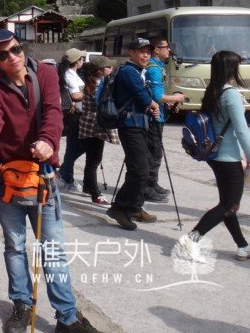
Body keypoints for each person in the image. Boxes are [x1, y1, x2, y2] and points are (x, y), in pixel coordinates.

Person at [0, 30, 111, 333]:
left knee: (52, 249)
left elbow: (54, 111)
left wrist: (49, 141)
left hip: (43, 176)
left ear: (21, 48)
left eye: (15, 49)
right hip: (8, 180)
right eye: (3, 54)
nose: (12, 57)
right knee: (14, 246)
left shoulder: (47, 74)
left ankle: (67, 317)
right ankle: (22, 305)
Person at [178, 51, 250, 261]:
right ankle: (192, 238)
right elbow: (242, 130)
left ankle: (242, 246)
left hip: (214, 155)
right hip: (228, 157)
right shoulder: (231, 94)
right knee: (229, 205)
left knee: (227, 203)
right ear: (231, 69)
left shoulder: (213, 91)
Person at [106, 38, 161, 231]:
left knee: (137, 168)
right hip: (130, 126)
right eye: (141, 51)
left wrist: (152, 107)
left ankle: (135, 207)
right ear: (131, 52)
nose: (146, 55)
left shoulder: (137, 71)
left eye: (148, 52)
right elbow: (143, 95)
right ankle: (119, 208)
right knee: (140, 170)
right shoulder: (129, 71)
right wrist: (153, 105)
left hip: (139, 124)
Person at [144, 36, 186, 203]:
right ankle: (148, 188)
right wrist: (176, 98)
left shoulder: (158, 66)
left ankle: (152, 183)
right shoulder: (154, 69)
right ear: (157, 49)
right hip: (153, 117)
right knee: (153, 153)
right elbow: (157, 96)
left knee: (155, 152)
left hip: (158, 114)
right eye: (166, 47)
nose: (169, 50)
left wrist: (168, 102)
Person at [77, 57, 118, 206]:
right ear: (100, 70)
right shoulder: (99, 86)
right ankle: (96, 195)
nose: (111, 69)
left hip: (87, 124)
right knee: (94, 162)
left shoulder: (90, 83)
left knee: (91, 160)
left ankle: (87, 187)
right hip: (96, 125)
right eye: (109, 67)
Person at [58, 48, 86, 191]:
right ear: (76, 61)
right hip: (74, 115)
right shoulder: (69, 74)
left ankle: (65, 171)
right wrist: (91, 92)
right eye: (82, 58)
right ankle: (67, 176)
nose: (83, 61)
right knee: (74, 146)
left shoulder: (70, 73)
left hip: (75, 114)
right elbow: (75, 95)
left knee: (76, 146)